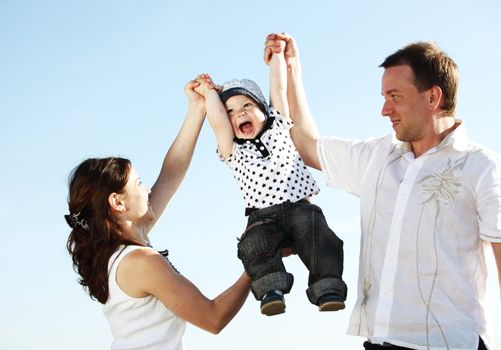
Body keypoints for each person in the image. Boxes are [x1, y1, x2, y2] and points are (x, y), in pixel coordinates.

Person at [264, 33, 501, 349]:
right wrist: (291, 68)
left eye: (395, 97)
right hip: (379, 343)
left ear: (433, 98)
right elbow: (306, 146)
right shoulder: (376, 156)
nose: (384, 110)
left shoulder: (483, 167)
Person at [64, 78, 251, 350]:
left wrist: (197, 109)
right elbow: (213, 317)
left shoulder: (122, 247)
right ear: (117, 202)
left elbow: (172, 173)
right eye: (139, 184)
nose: (148, 189)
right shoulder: (141, 261)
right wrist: (257, 264)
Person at [192, 39, 347, 318]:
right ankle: (270, 289)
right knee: (252, 244)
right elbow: (216, 119)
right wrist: (209, 94)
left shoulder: (280, 125)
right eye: (231, 112)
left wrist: (276, 57)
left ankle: (327, 286)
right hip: (262, 217)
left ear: (264, 110)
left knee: (319, 234)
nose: (239, 112)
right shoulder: (233, 150)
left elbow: (278, 88)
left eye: (247, 105)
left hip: (300, 207)